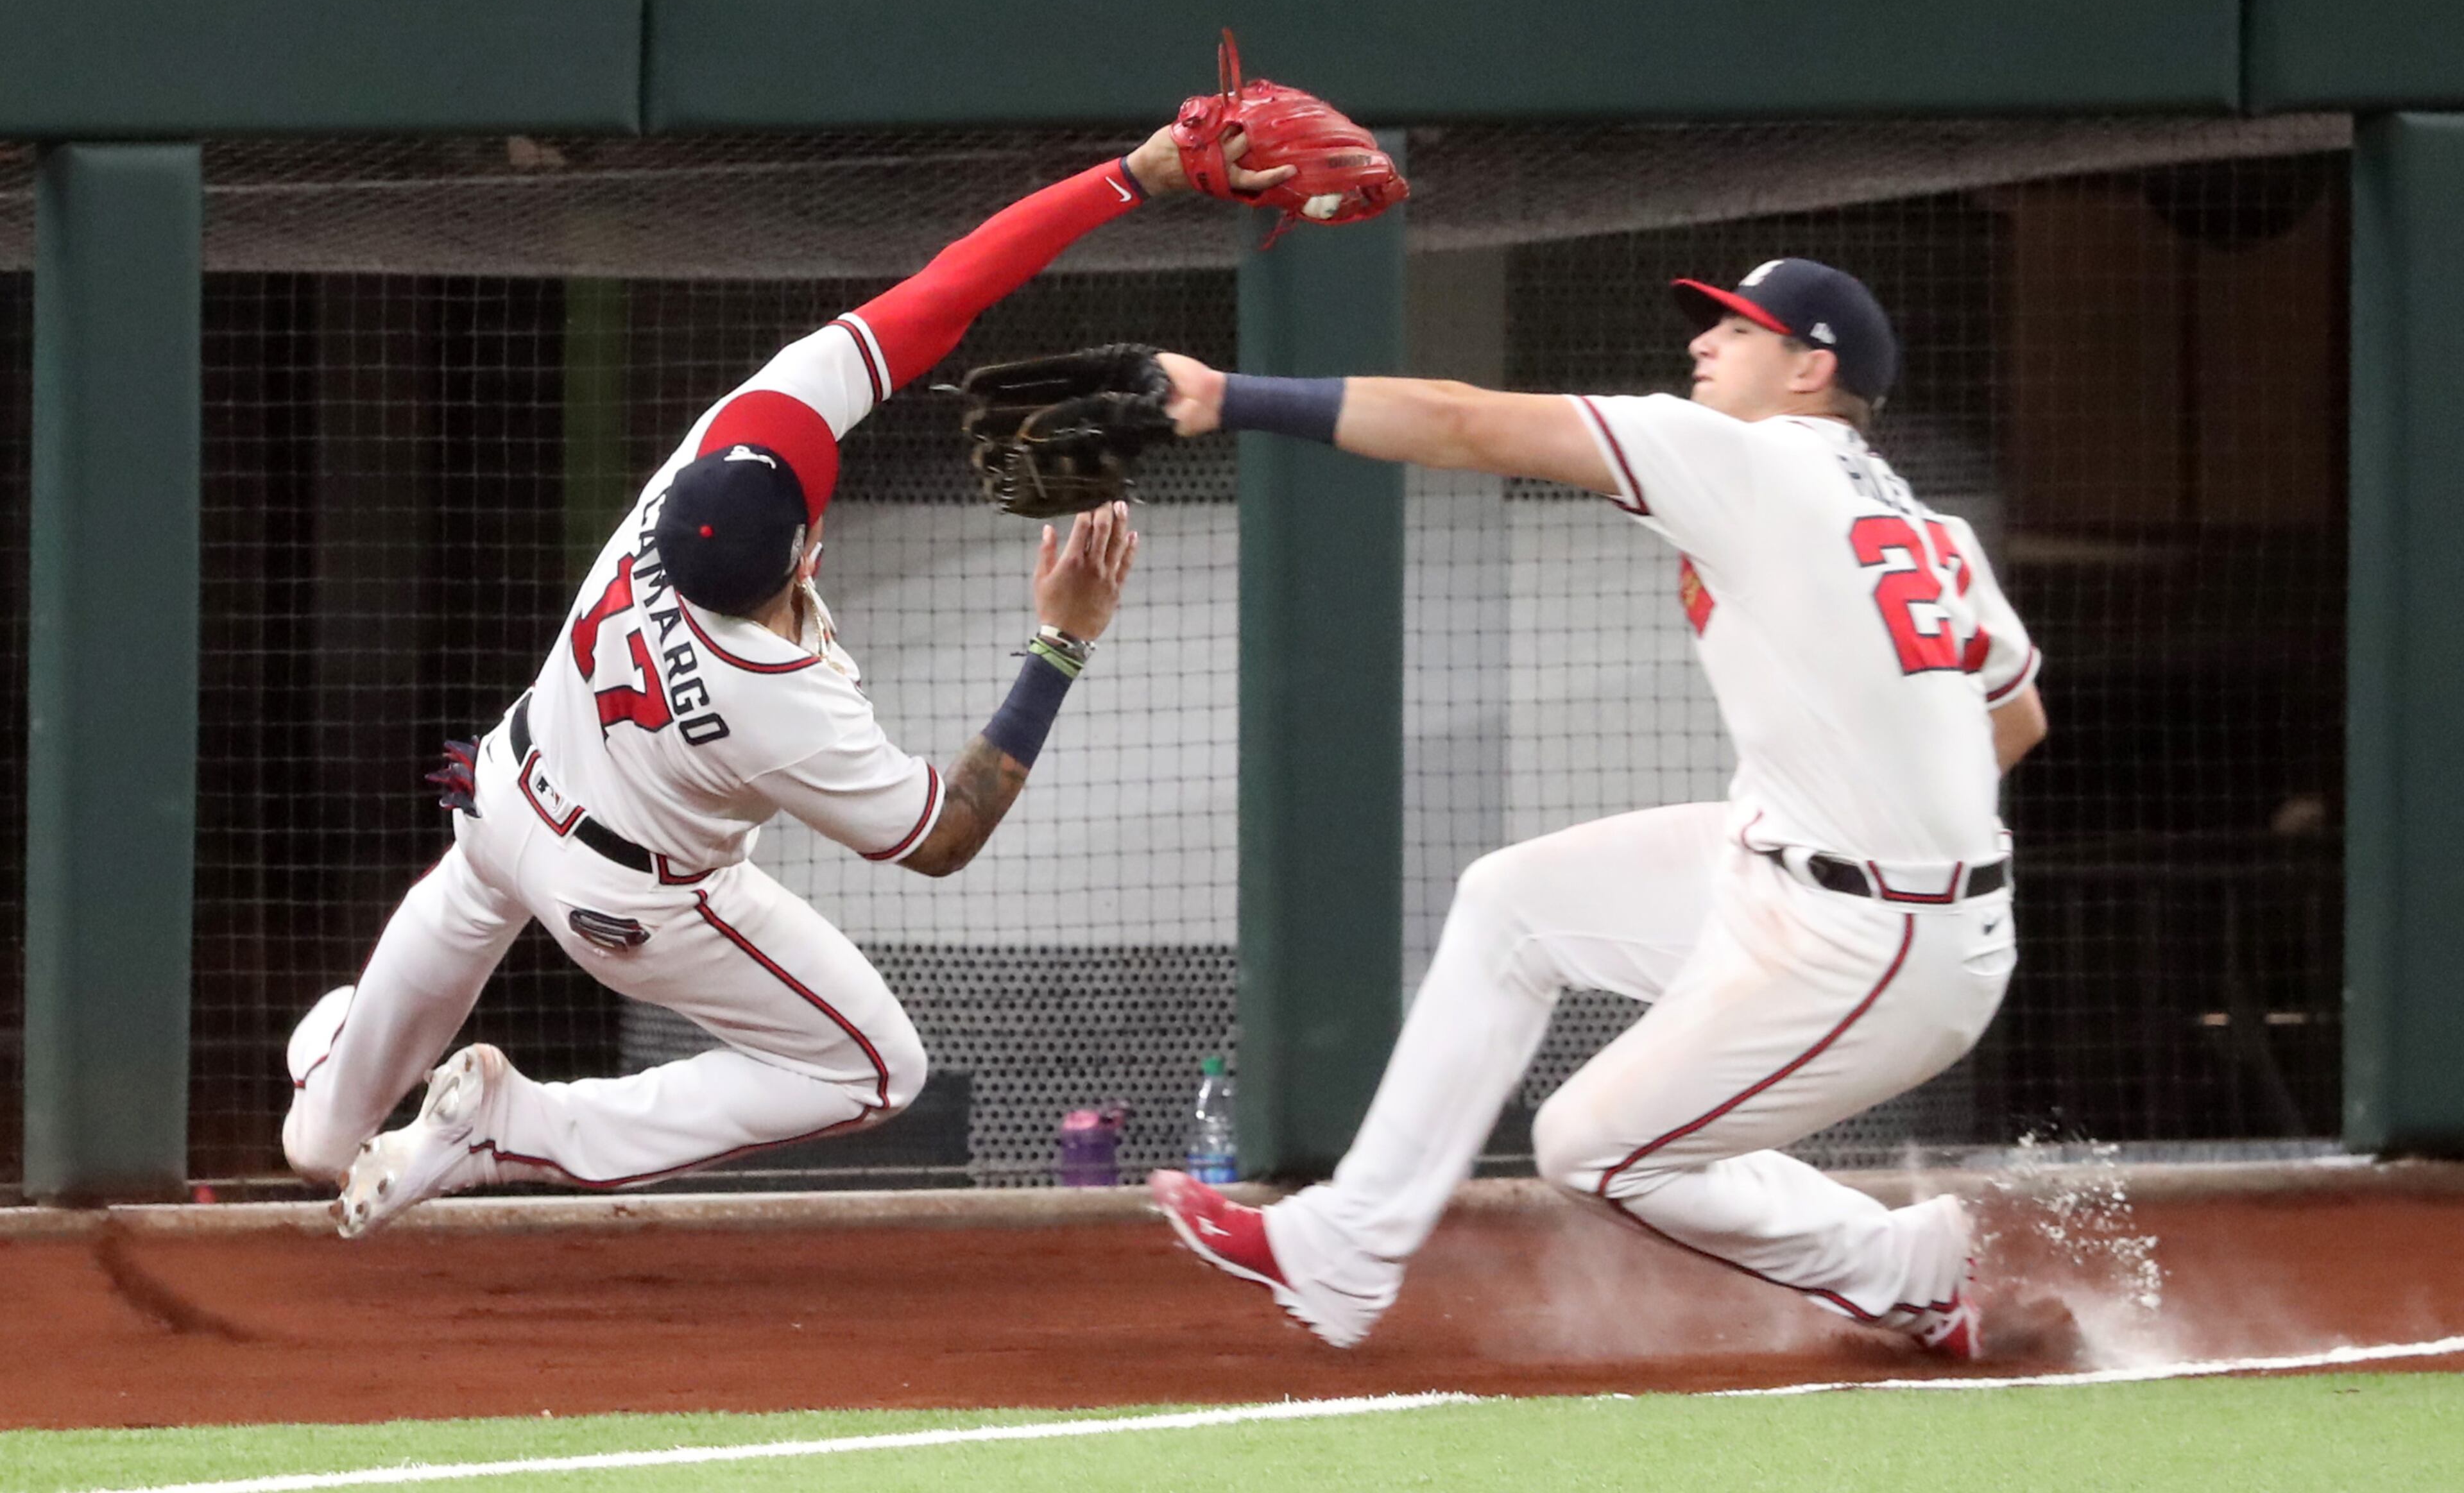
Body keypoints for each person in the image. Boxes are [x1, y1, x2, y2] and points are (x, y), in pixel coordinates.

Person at [283, 123, 1288, 1236]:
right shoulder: (773, 692)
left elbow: (947, 294)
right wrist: (1062, 639)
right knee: (874, 1069)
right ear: (804, 554)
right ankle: (516, 1130)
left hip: (504, 795)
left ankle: (347, 1097)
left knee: (319, 1142)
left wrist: (1132, 175)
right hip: (627, 897)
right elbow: (942, 838)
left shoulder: (714, 451)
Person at [1147, 259, 2048, 1357]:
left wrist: (1231, 396)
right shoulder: (1930, 529)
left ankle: (1891, 1266)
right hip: (1818, 873)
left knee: (1590, 1150)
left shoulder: (1748, 459)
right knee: (1512, 901)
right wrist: (1890, 807)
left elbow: (1462, 423)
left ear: (1812, 369)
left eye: (1739, 330)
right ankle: (1342, 1246)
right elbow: (2016, 719)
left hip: (1884, 941)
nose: (1702, 345)